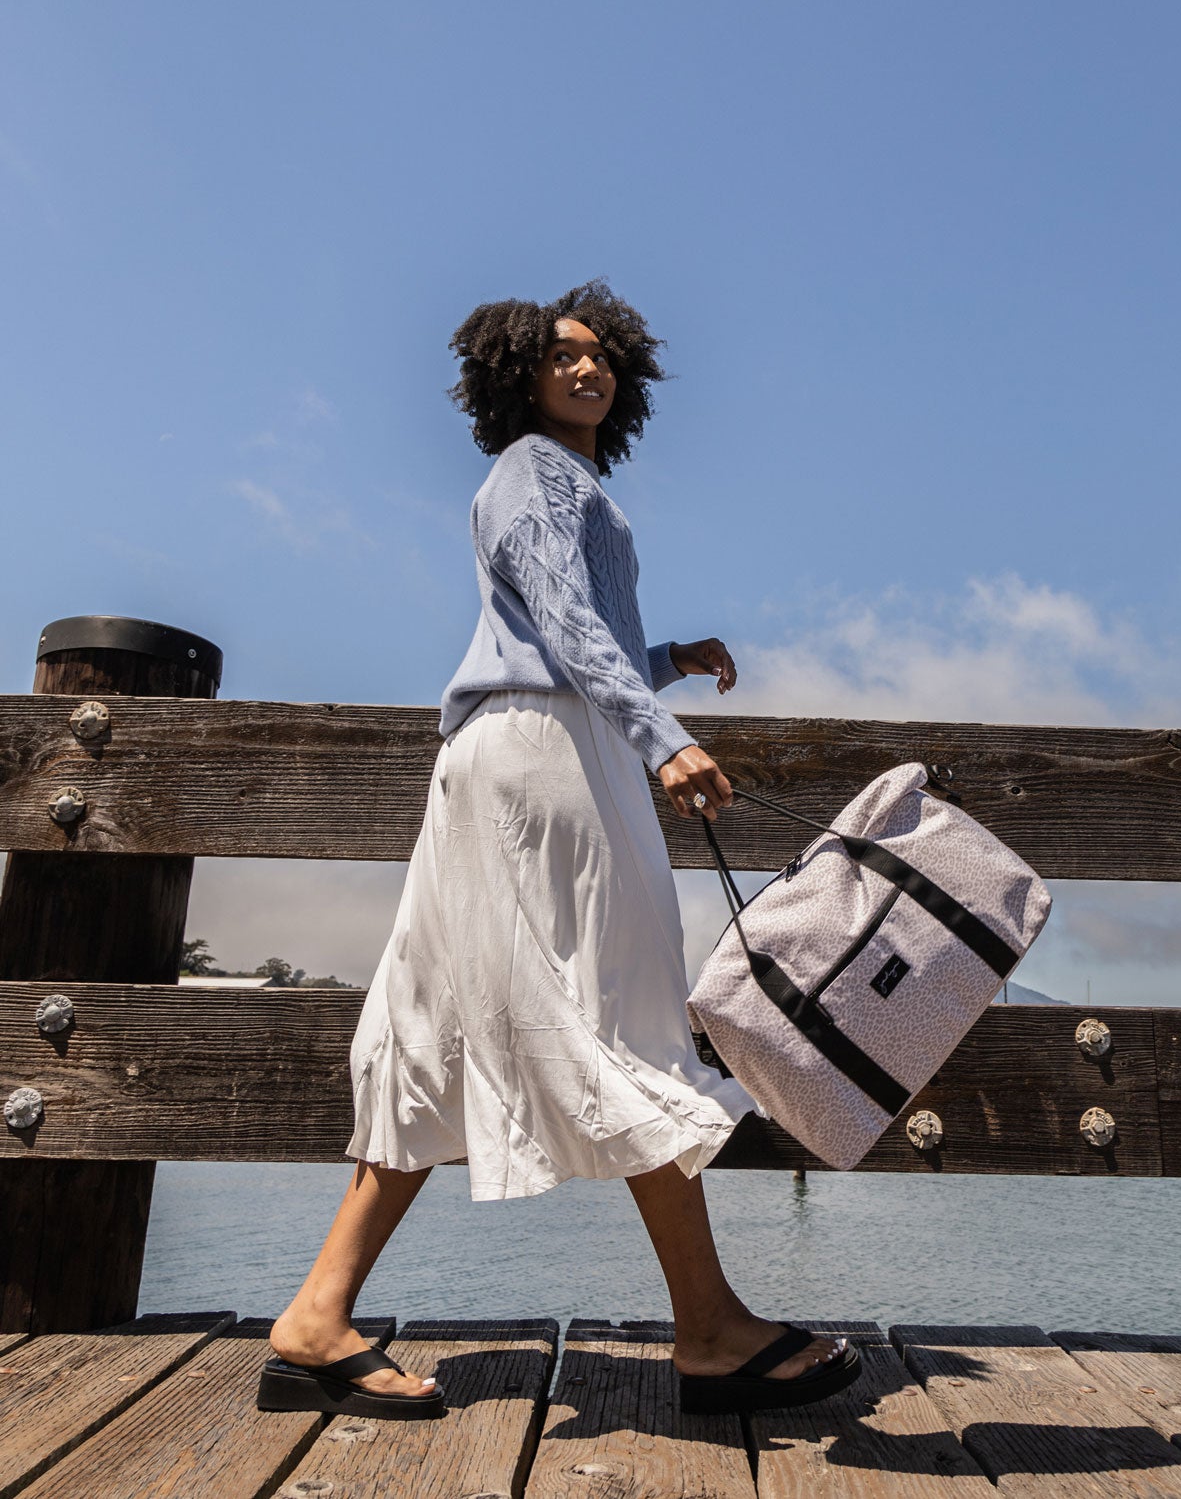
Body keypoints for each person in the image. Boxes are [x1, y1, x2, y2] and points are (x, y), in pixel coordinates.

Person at [257, 281, 860, 1420]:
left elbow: (575, 623)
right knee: (624, 1016)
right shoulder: (534, 472)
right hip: (550, 762)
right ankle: (714, 1331)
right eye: (562, 356)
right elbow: (565, 626)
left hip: (520, 756)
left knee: (440, 1029)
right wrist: (663, 737)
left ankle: (316, 1316)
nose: (588, 371)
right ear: (516, 376)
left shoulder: (563, 482)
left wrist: (671, 655)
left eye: (601, 358)